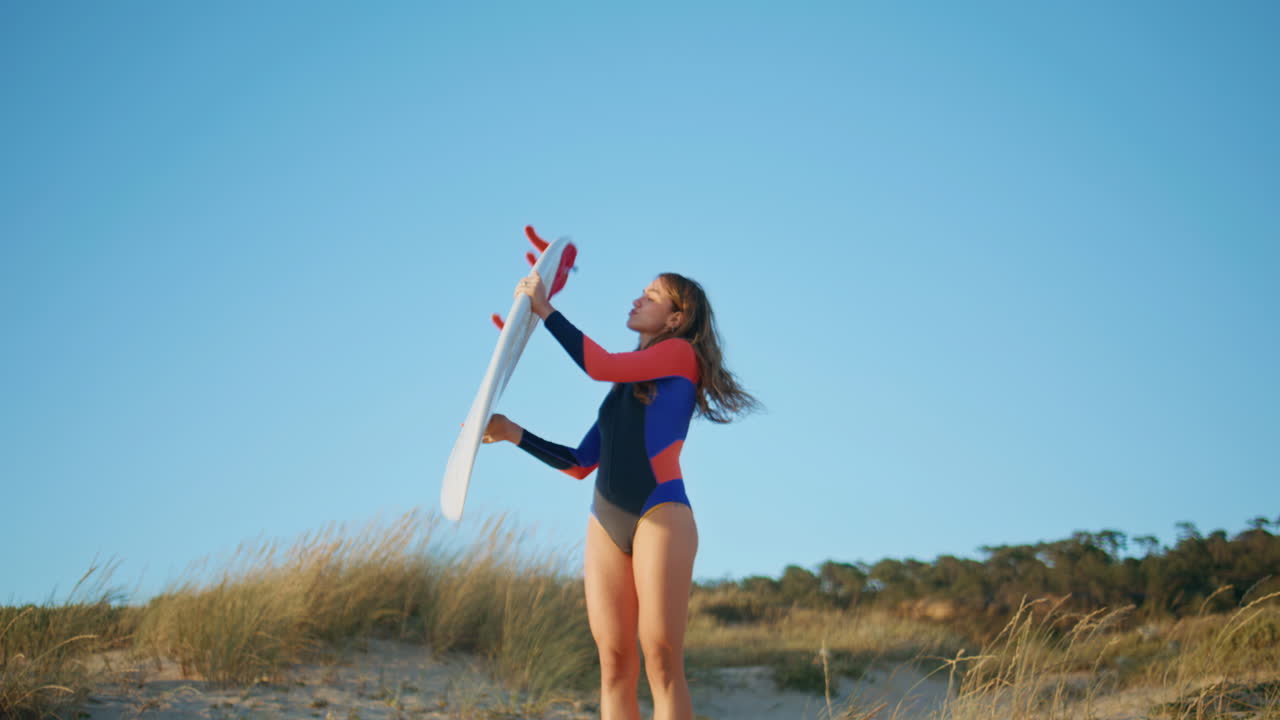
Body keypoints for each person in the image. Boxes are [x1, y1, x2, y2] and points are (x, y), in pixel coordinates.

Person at [482, 270, 758, 720]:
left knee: (662, 657)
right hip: (605, 520)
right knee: (614, 665)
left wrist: (544, 309)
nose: (636, 300)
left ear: (676, 319)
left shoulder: (681, 355)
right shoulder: (622, 391)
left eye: (651, 296)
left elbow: (600, 364)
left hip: (660, 513)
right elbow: (579, 463)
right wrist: (514, 433)